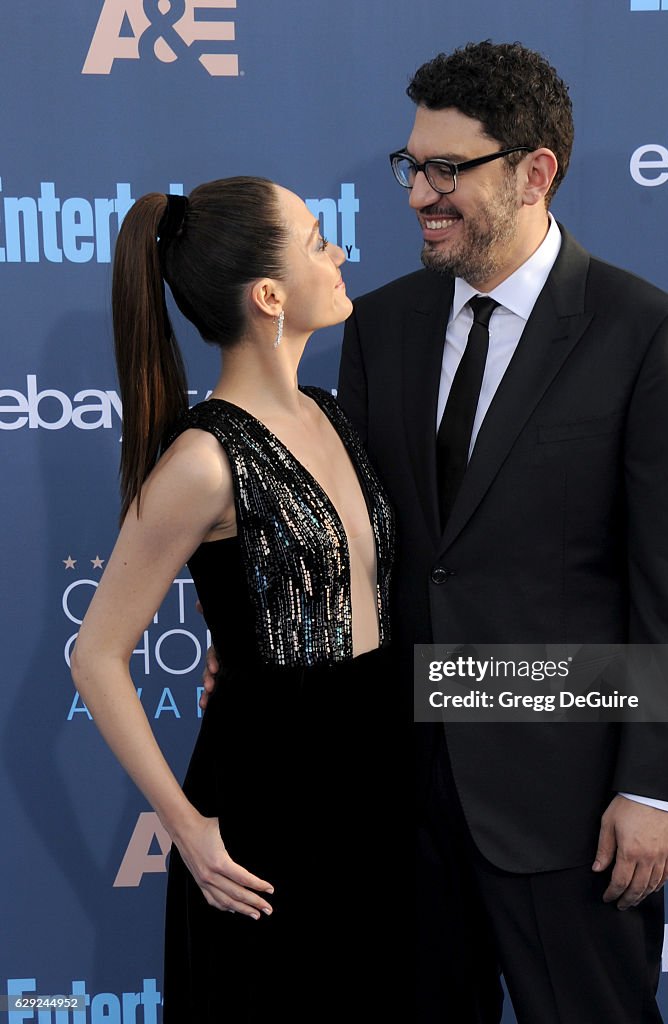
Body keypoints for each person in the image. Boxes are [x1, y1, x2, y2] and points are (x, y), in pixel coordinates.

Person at [335, 41, 668, 1024]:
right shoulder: (380, 327)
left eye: (447, 170)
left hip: (570, 806)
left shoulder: (643, 333)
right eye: (411, 166)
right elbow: (370, 554)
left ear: (534, 171)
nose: (419, 192)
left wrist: (654, 789)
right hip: (408, 799)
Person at [70, 177, 400, 1022]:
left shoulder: (330, 412)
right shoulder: (203, 461)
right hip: (270, 802)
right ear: (268, 295)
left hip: (379, 782)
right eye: (319, 240)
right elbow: (96, 655)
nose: (339, 255)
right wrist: (186, 826)